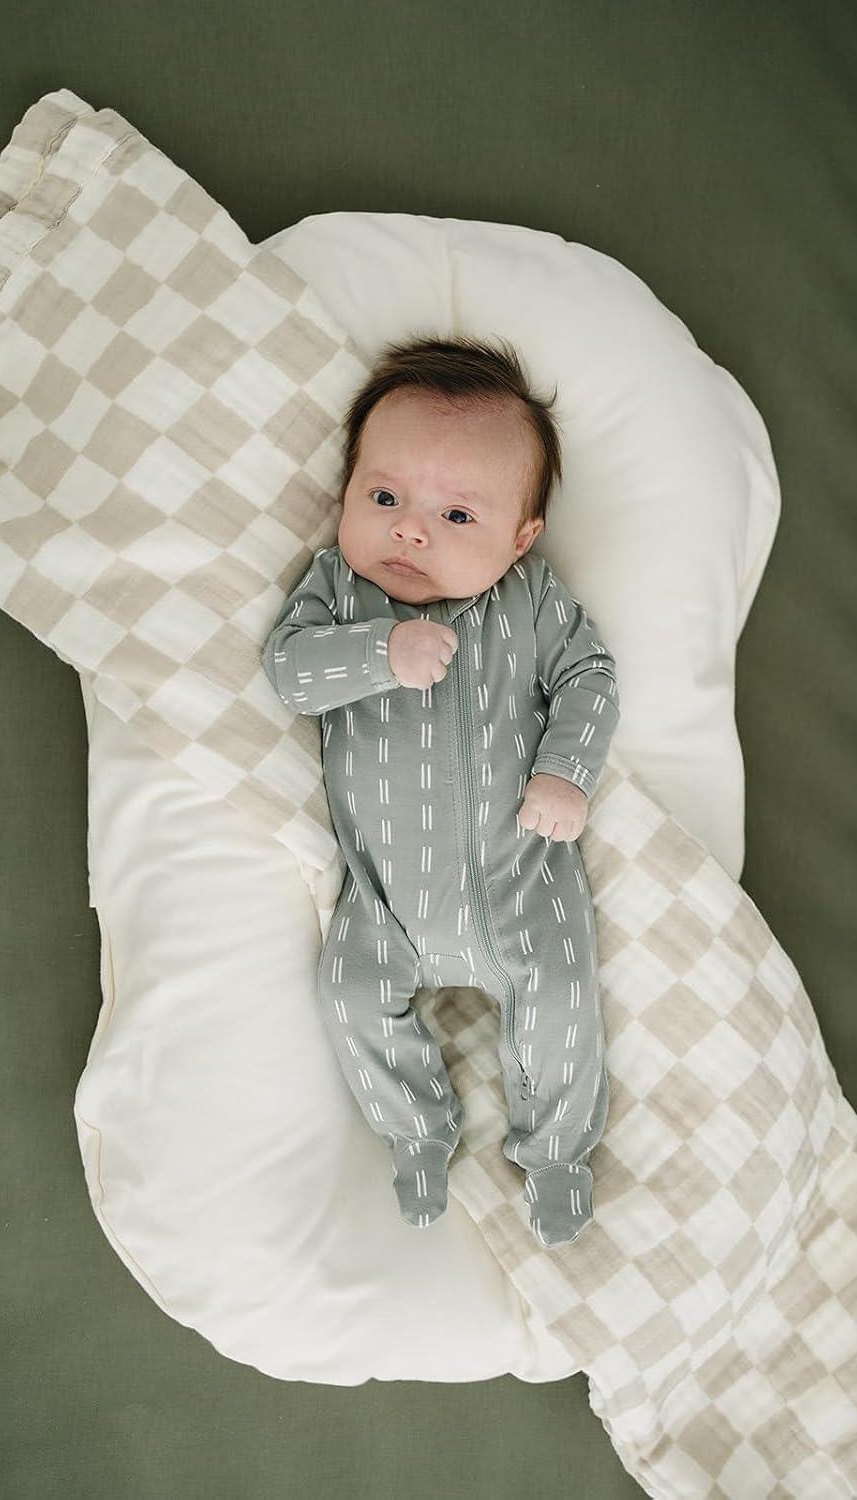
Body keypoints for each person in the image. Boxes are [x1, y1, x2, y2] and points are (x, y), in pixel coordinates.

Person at [262, 333, 620, 1246]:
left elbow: (591, 677)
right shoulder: (340, 591)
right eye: (384, 498)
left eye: (458, 516)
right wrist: (379, 652)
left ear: (521, 536)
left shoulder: (530, 603)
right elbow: (290, 674)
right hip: (385, 906)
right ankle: (417, 1131)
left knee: (563, 1004)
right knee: (347, 995)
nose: (410, 529)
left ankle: (556, 1154)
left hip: (522, 887)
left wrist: (563, 772)